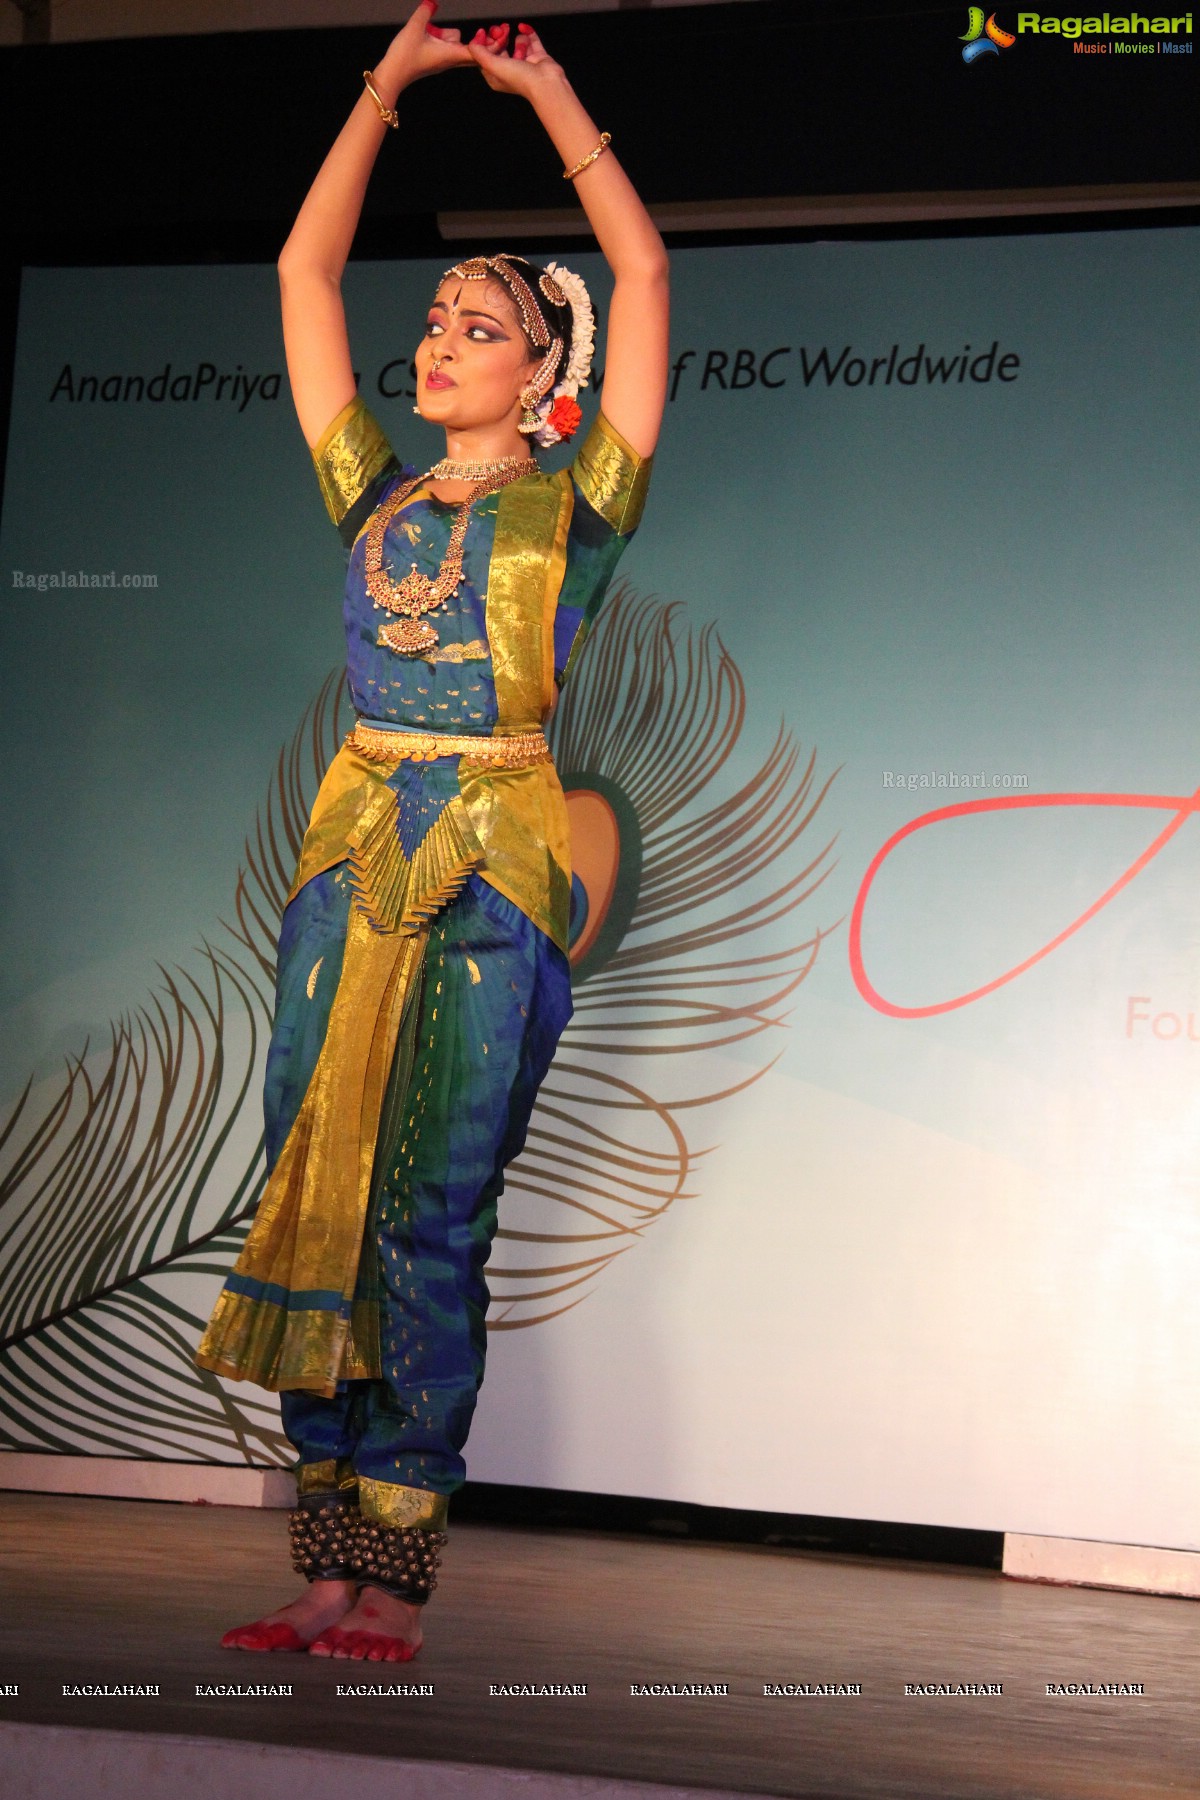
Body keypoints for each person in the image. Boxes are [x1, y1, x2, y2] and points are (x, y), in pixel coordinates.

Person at [195, 1, 669, 1663]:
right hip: (348, 865)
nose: (443, 339)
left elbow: (651, 277)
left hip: (493, 871)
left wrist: (550, 97)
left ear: (545, 371)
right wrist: (383, 87)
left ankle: (392, 1576)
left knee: (430, 1210)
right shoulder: (374, 496)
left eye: (482, 325)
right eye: (440, 320)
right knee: (314, 1182)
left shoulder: (581, 503)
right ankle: (322, 1558)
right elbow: (301, 278)